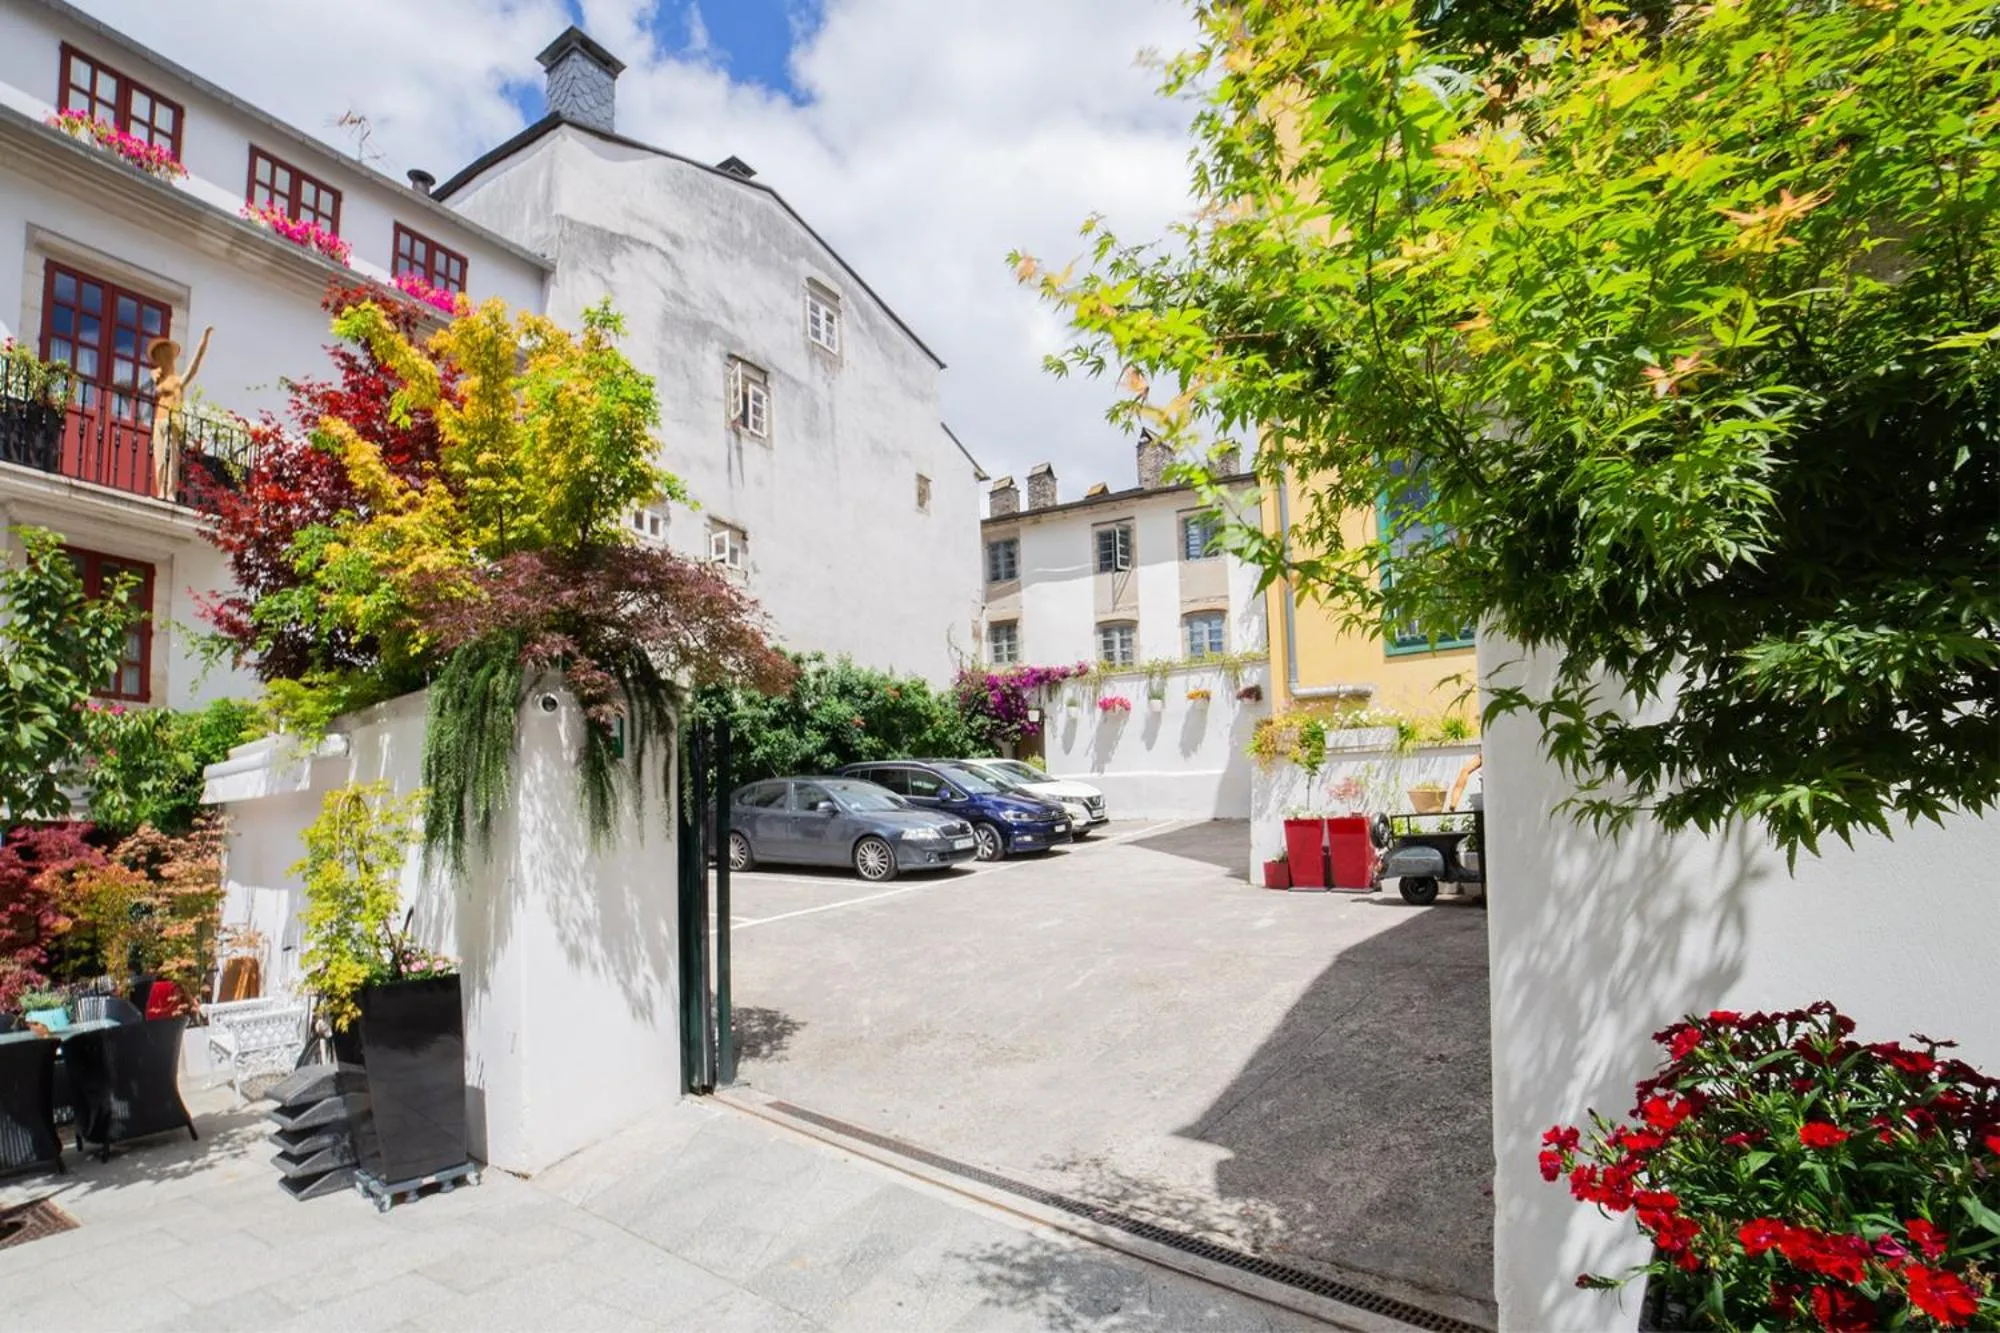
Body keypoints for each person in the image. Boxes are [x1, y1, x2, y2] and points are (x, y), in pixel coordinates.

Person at [146, 327, 210, 499]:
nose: (163, 358)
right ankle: (161, 491)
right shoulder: (156, 379)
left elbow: (193, 367)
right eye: (160, 355)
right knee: (159, 460)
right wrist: (154, 378)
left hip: (170, 421)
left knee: (171, 460)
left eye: (165, 354)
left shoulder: (176, 381)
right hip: (159, 421)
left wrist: (203, 340)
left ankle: (169, 493)